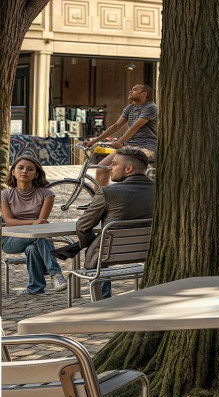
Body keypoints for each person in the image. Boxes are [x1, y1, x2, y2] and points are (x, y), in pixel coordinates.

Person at [57, 148, 154, 297]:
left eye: (114, 164)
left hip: (108, 254)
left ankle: (103, 299)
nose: (109, 168)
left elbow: (82, 227)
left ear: (128, 169)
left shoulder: (107, 193)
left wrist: (88, 242)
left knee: (99, 250)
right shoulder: (160, 190)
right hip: (148, 251)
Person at [84, 85, 159, 187]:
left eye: (134, 90)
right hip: (129, 146)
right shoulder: (130, 108)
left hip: (146, 146)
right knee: (102, 168)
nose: (130, 91)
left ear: (144, 94)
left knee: (124, 170)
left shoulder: (150, 107)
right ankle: (101, 199)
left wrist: (120, 141)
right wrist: (93, 141)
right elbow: (116, 126)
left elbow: (134, 127)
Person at [3, 155, 58, 293]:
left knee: (32, 249)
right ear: (13, 172)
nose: (24, 171)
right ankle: (55, 273)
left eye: (30, 169)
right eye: (20, 168)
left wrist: (36, 224)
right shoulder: (5, 194)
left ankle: (36, 287)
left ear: (36, 174)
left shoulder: (47, 194)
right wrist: (33, 222)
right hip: (10, 239)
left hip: (37, 236)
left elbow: (41, 224)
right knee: (38, 235)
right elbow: (9, 222)